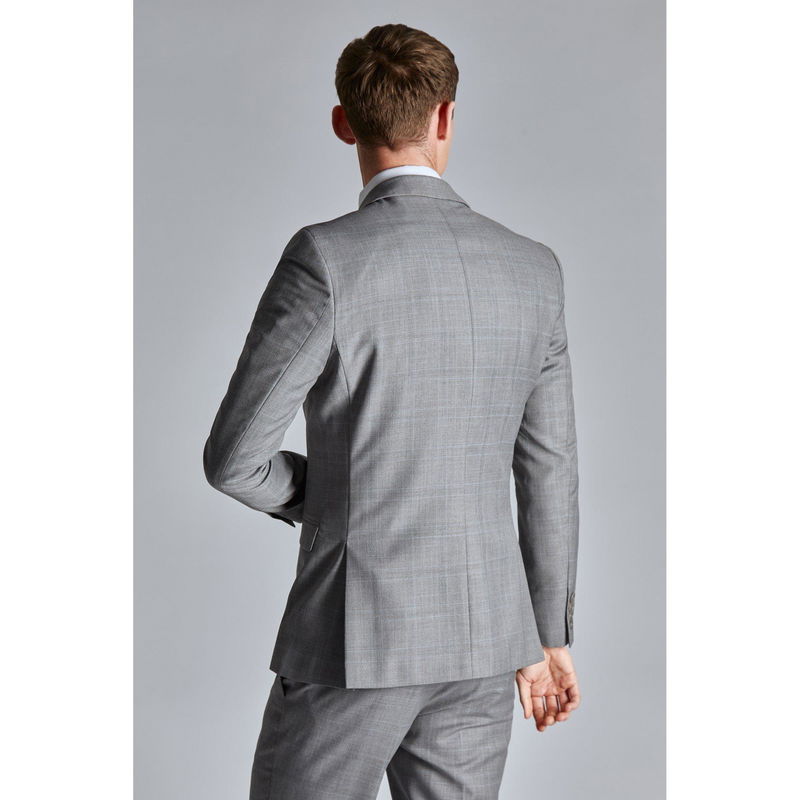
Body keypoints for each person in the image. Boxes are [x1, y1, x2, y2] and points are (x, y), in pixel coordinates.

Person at [204, 22, 581, 800]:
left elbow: (235, 459)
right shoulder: (533, 269)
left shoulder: (326, 260)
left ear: (344, 123)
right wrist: (548, 637)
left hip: (357, 635)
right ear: (446, 115)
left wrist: (336, 499)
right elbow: (550, 470)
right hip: (487, 639)